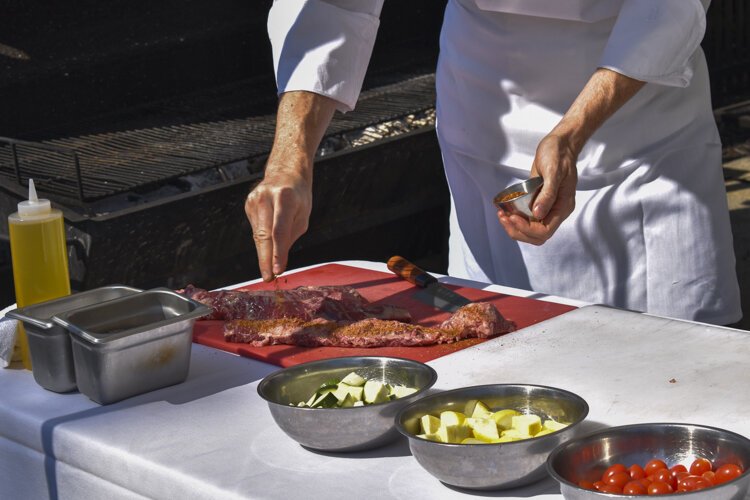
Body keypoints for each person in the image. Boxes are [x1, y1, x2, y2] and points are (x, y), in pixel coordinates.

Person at [245, 0, 741, 326]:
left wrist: (572, 131)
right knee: (499, 346)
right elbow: (333, 5)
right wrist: (291, 157)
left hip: (637, 109)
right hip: (483, 93)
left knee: (673, 362)